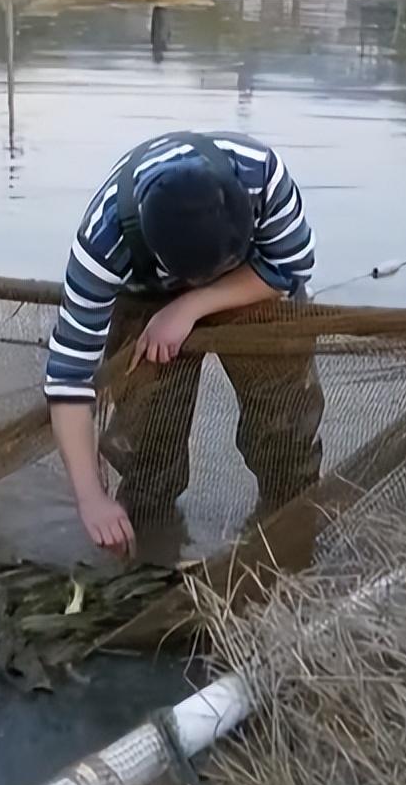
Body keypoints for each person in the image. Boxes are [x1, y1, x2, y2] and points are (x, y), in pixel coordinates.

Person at [45, 130, 322, 559]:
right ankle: (153, 549)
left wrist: (193, 305)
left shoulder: (261, 173)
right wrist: (90, 499)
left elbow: (291, 264)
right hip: (146, 292)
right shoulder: (103, 243)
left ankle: (290, 537)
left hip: (252, 285)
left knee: (284, 429)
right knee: (149, 444)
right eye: (196, 277)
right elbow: (68, 378)